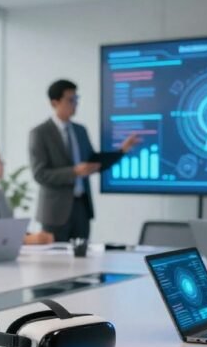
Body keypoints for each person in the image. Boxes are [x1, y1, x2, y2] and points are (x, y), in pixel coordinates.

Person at [29, 79, 139, 241]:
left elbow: (93, 161)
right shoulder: (40, 133)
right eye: (70, 100)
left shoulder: (80, 130)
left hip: (81, 208)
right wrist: (74, 172)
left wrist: (121, 151)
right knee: (54, 263)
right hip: (55, 212)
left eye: (76, 99)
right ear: (55, 102)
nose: (75, 104)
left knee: (82, 261)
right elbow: (40, 174)